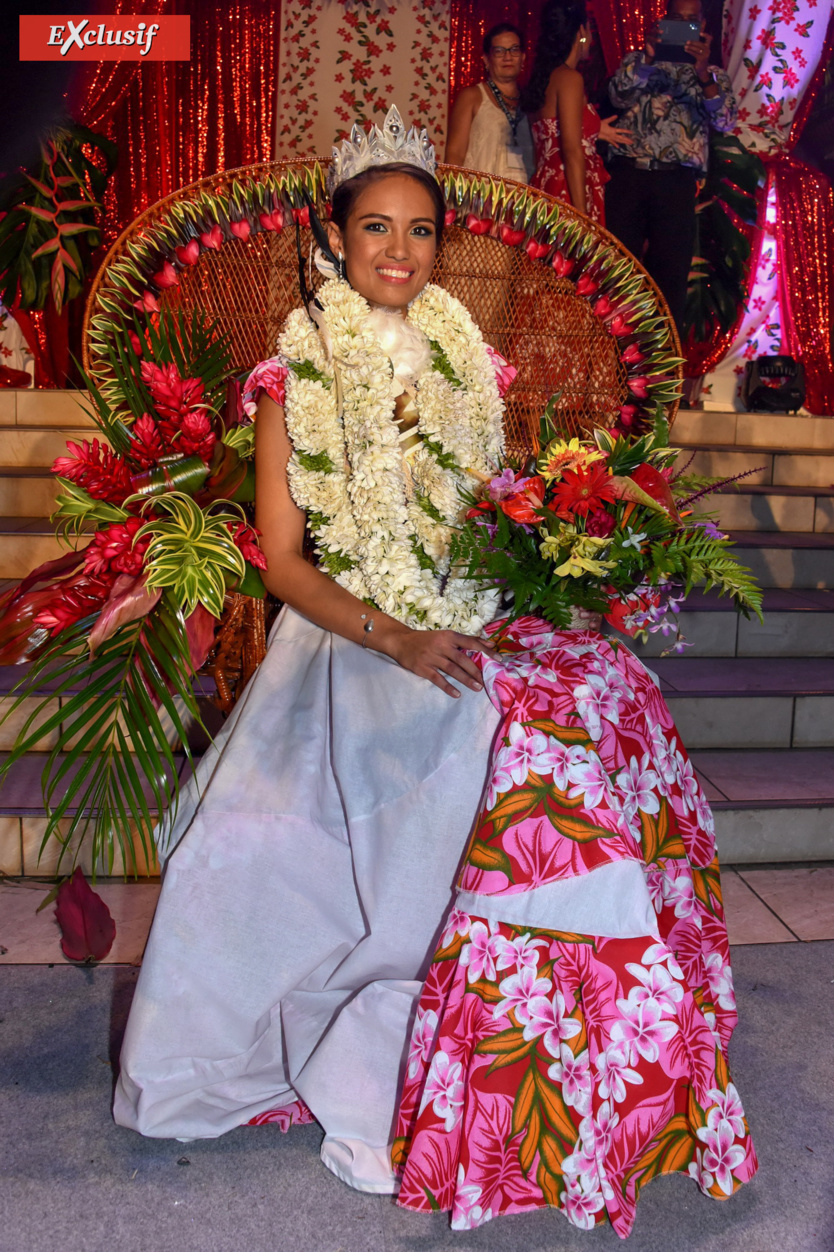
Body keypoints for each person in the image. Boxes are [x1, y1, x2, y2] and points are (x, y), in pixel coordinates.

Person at [114, 107, 757, 1235]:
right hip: (347, 639)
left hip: (458, 615)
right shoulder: (290, 376)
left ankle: (557, 1042)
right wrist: (398, 636)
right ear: (336, 238)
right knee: (445, 755)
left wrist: (547, 565)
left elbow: (480, 523)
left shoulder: (472, 359)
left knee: (598, 695)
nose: (398, 250)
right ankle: (389, 1045)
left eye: (418, 229)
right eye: (375, 228)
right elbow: (280, 558)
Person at [604, 0, 738, 333]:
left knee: (670, 282)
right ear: (664, 21)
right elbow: (618, 97)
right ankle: (614, 365)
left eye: (691, 22)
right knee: (618, 274)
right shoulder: (638, 62)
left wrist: (703, 72)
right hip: (628, 175)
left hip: (675, 183)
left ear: (704, 26)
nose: (684, 27)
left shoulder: (714, 75)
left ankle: (661, 377)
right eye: (677, 20)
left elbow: (724, 120)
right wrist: (649, 56)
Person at [523, 0, 631, 222]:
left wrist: (594, 130)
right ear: (581, 31)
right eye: (590, 29)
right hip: (569, 188)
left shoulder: (545, 77)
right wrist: (582, 215)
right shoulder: (570, 79)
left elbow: (552, 135)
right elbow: (572, 151)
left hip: (547, 184)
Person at [445, 23, 535, 183]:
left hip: (522, 199)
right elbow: (455, 154)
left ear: (523, 57)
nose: (507, 57)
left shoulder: (532, 101)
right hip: (479, 198)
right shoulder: (472, 96)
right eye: (499, 51)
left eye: (514, 50)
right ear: (487, 59)